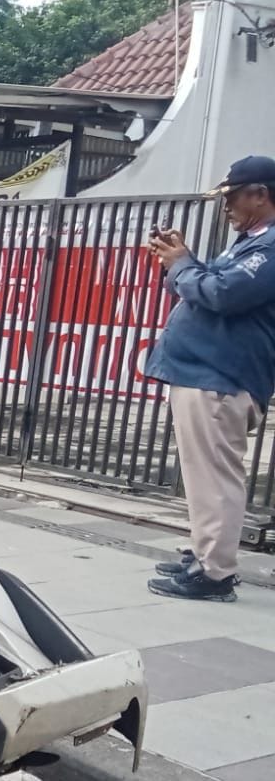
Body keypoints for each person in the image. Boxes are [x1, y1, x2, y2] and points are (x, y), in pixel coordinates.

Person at [145, 155, 275, 603]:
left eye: (233, 198)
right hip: (205, 373)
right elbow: (201, 284)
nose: (227, 209)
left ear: (261, 194)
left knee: (216, 477)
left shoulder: (270, 248)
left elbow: (221, 293)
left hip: (220, 377)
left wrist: (183, 265)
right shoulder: (249, 243)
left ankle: (214, 573)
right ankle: (205, 553)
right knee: (204, 475)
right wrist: (179, 263)